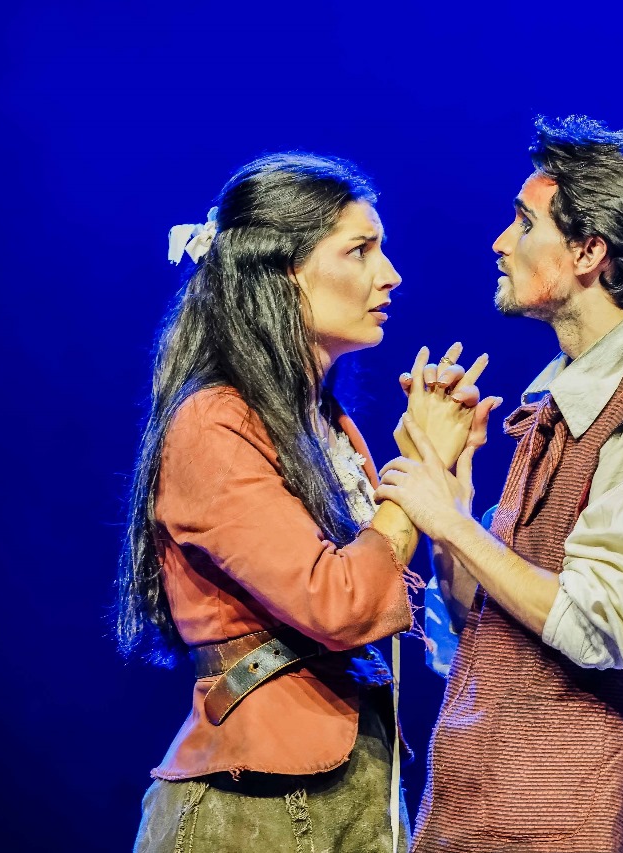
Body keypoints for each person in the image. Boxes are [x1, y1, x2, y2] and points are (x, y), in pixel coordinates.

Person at [376, 116, 623, 852]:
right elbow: (482, 620)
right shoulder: (563, 409)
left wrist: (453, 523)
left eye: (524, 222)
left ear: (588, 252)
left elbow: (620, 630)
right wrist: (451, 483)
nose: (500, 242)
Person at [116, 152, 493, 853]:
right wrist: (417, 470)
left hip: (352, 788)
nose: (390, 274)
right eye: (360, 250)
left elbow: (399, 598)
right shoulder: (213, 423)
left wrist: (447, 480)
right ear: (282, 271)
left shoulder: (326, 425)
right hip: (253, 805)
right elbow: (338, 601)